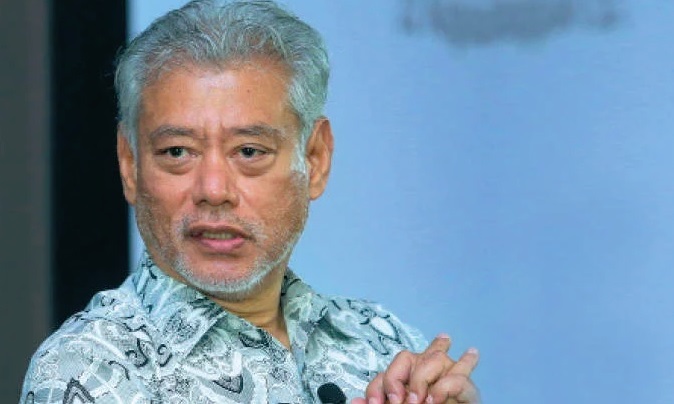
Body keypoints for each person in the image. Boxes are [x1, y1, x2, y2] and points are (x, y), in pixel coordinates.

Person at [21, 1, 480, 403]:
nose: (214, 189)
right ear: (130, 165)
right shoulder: (89, 367)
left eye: (249, 151)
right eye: (177, 152)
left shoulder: (382, 340)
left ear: (315, 159)